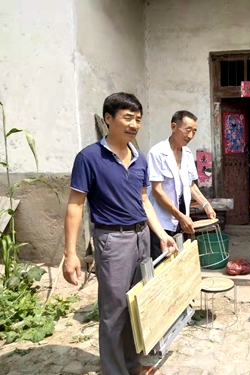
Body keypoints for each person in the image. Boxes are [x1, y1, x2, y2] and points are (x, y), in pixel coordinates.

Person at [63, 92, 178, 375]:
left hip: (141, 238)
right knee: (113, 312)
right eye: (127, 118)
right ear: (108, 119)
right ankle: (114, 371)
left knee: (136, 306)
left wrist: (160, 234)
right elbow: (75, 205)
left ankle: (132, 364)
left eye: (138, 119)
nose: (134, 125)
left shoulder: (140, 160)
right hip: (112, 241)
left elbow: (144, 201)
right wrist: (70, 254)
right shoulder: (89, 158)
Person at [147, 110, 216, 260]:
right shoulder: (157, 153)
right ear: (173, 127)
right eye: (187, 130)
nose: (190, 136)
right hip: (162, 221)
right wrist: (180, 216)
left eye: (194, 131)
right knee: (162, 264)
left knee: (180, 262)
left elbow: (190, 185)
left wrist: (206, 204)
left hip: (181, 219)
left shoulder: (188, 154)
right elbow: (157, 191)